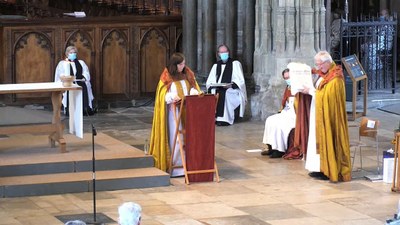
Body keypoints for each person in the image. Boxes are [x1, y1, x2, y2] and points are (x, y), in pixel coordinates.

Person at [149, 52, 201, 177]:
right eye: (181, 64)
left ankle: (189, 165)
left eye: (184, 63)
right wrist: (171, 96)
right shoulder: (166, 76)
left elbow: (194, 86)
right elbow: (162, 95)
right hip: (174, 113)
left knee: (189, 138)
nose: (183, 66)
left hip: (188, 111)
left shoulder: (187, 73)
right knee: (177, 140)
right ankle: (177, 168)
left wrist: (194, 91)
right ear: (175, 65)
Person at [303, 51, 351, 182]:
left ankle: (329, 170)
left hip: (329, 116)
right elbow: (320, 90)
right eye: (317, 64)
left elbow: (328, 96)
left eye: (320, 64)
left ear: (327, 62)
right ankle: (320, 168)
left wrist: (311, 91)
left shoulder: (336, 77)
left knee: (328, 138)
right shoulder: (324, 74)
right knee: (315, 140)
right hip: (318, 113)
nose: (318, 67)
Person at [206, 44, 247, 126]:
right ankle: (216, 118)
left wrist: (231, 85)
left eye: (225, 52)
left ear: (228, 52)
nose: (224, 54)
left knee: (226, 92)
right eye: (222, 52)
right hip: (218, 88)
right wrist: (214, 85)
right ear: (218, 54)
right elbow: (209, 81)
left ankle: (226, 119)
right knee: (215, 91)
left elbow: (240, 81)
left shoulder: (235, 64)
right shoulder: (215, 66)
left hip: (231, 89)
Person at [261, 68, 296, 158]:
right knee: (270, 120)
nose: (287, 80)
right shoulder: (288, 87)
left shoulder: (300, 88)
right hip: (287, 112)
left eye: (289, 77)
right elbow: (285, 102)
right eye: (285, 78)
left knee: (281, 125)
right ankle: (271, 147)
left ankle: (280, 150)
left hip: (295, 115)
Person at [54, 45, 94, 116]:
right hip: (68, 83)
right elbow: (60, 74)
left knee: (84, 87)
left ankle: (84, 109)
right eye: (71, 52)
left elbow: (86, 72)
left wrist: (84, 77)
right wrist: (66, 78)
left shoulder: (81, 63)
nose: (73, 54)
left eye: (74, 52)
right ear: (67, 53)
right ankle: (70, 110)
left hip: (80, 82)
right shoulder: (63, 63)